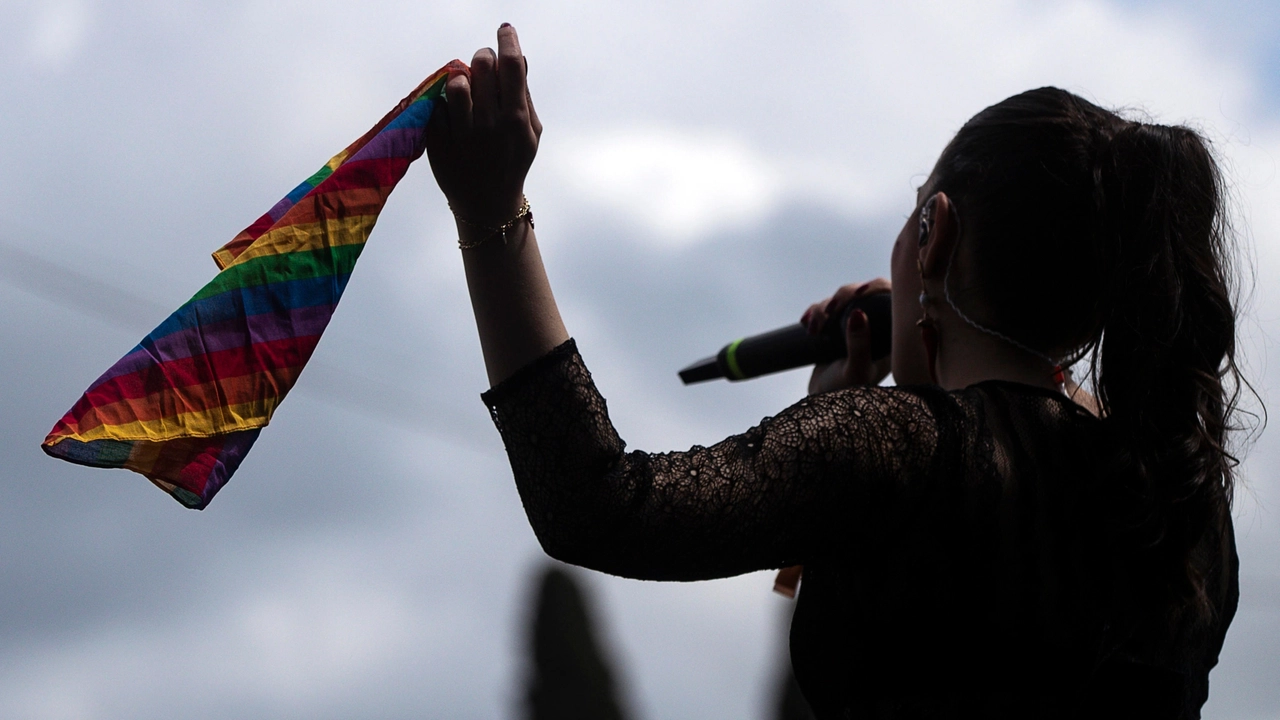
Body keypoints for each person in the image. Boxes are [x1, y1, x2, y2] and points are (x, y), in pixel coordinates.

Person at [426, 25, 1243, 719]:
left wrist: (490, 209)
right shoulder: (1176, 500)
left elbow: (596, 506)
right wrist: (928, 371)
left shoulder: (899, 451)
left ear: (936, 230)